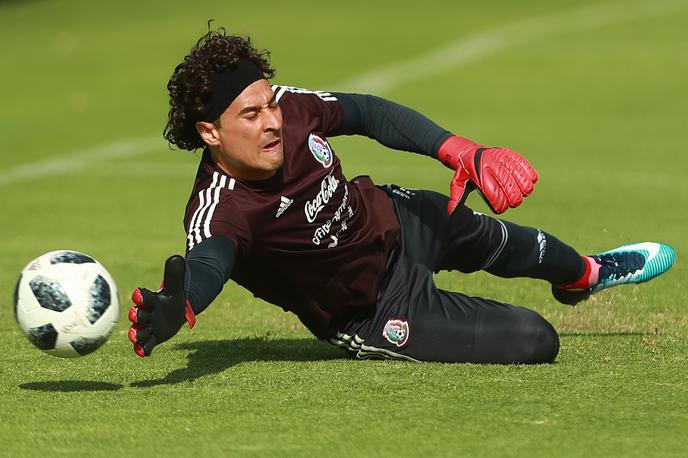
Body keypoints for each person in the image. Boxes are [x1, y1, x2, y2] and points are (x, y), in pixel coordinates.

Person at [127, 28, 675, 364]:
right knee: (536, 341)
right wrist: (186, 303)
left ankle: (586, 275)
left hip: (399, 219)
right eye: (251, 114)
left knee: (507, 240)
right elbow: (209, 261)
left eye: (269, 103)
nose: (272, 121)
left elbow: (367, 112)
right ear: (209, 133)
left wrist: (460, 151)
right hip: (376, 307)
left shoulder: (290, 108)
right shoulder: (220, 208)